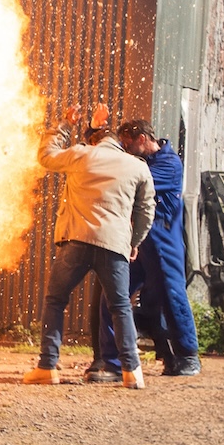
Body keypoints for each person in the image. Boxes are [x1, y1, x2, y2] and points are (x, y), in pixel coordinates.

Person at [24, 102, 155, 389]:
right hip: (114, 245)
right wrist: (134, 242)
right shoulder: (138, 166)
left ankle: (47, 366)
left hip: (78, 241)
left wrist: (65, 126)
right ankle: (132, 373)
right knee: (121, 306)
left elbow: (46, 156)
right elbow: (146, 211)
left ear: (96, 141)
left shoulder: (81, 155)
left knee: (56, 300)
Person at [113, 119, 200, 377]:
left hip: (163, 241)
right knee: (118, 294)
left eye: (128, 144)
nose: (125, 149)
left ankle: (188, 356)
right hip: (139, 243)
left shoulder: (169, 164)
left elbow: (135, 183)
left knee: (172, 296)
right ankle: (117, 358)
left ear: (142, 139)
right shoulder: (142, 161)